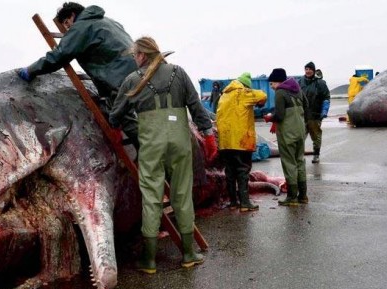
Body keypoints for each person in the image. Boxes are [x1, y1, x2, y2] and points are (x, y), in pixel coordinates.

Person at [109, 36, 217, 274]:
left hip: (151, 146)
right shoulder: (178, 73)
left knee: (152, 198)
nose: (134, 59)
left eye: (135, 55)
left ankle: (149, 261)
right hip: (180, 143)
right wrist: (208, 136)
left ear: (142, 55)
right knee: (182, 194)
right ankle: (189, 254)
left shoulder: (131, 81)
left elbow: (115, 115)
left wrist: (116, 131)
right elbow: (197, 108)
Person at [15, 2, 140, 148]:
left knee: (125, 117)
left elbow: (59, 56)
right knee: (145, 115)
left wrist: (31, 70)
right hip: (140, 70)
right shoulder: (108, 21)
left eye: (67, 23)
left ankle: (155, 160)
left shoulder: (81, 27)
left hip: (120, 76)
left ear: (73, 15)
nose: (67, 27)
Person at [216, 72, 267, 212]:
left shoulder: (224, 95)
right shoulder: (243, 93)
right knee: (243, 171)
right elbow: (263, 95)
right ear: (245, 85)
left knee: (230, 172)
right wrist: (260, 102)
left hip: (225, 142)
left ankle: (233, 202)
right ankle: (245, 203)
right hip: (240, 141)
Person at [263, 68, 309, 206]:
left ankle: (292, 197)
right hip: (300, 131)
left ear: (278, 81)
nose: (271, 87)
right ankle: (303, 196)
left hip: (287, 133)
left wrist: (270, 118)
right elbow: (306, 106)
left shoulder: (280, 92)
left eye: (272, 84)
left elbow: (280, 115)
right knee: (300, 162)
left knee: (289, 163)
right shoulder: (297, 89)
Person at [298, 61, 330, 164]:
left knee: (316, 136)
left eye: (310, 69)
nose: (308, 71)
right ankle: (299, 155)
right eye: (306, 69)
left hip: (315, 115)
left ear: (314, 70)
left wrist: (324, 110)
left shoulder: (320, 83)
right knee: (299, 136)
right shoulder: (300, 82)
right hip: (302, 115)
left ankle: (316, 154)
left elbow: (326, 97)